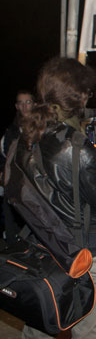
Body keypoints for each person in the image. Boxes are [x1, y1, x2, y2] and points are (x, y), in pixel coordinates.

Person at [6, 58, 96, 339]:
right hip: (86, 256)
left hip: (44, 250)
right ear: (80, 97)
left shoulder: (25, 139)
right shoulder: (75, 147)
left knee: (37, 338)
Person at [1, 89, 35, 241]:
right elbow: (4, 157)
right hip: (16, 185)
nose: (24, 107)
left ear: (35, 104)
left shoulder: (42, 128)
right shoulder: (11, 132)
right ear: (16, 106)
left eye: (28, 102)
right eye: (21, 103)